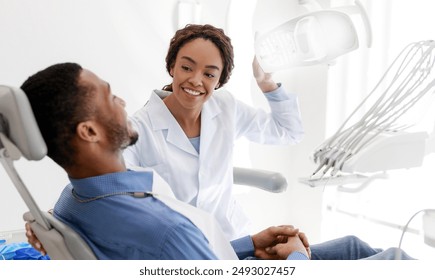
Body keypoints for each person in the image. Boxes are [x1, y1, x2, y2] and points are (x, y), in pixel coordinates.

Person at [22, 62, 414, 260]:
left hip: (218, 250)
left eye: (211, 71)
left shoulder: (73, 200)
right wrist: (294, 255)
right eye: (109, 96)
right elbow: (175, 244)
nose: (121, 101)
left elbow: (286, 131)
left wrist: (248, 245)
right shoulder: (166, 231)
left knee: (351, 244)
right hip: (210, 252)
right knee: (394, 258)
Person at [122, 24, 304, 240]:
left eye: (209, 74)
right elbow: (120, 198)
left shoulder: (225, 106)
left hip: (233, 237)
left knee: (345, 246)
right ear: (172, 67)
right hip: (182, 246)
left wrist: (265, 82)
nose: (196, 80)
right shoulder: (137, 129)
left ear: (219, 81)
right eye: (187, 68)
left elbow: (288, 131)